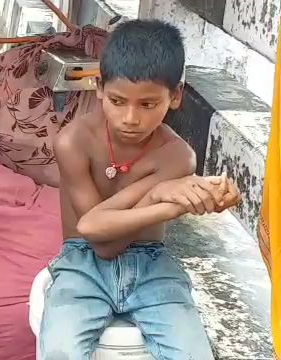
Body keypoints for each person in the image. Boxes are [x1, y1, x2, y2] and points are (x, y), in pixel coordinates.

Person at [39, 19, 241, 359]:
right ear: (99, 87)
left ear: (175, 96)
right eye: (118, 101)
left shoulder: (178, 156)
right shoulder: (74, 141)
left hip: (152, 264)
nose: (131, 118)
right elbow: (99, 238)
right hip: (82, 261)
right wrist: (167, 200)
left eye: (148, 105)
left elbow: (112, 225)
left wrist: (194, 195)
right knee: (61, 350)